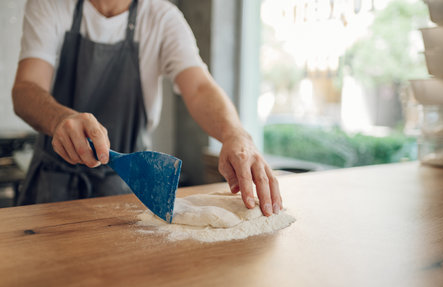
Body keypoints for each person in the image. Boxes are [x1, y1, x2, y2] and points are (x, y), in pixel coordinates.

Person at [12, 0, 282, 216]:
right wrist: (60, 118)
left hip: (128, 191)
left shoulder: (162, 17)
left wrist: (234, 133)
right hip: (49, 191)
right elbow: (25, 89)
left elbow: (200, 87)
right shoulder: (49, 5)